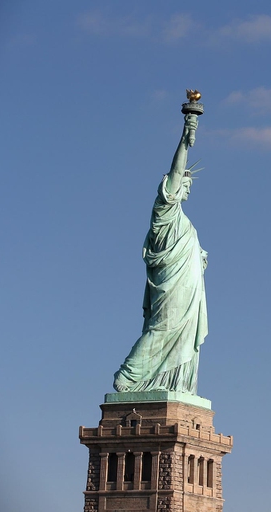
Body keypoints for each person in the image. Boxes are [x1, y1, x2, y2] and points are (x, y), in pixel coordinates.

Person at [113, 113, 208, 394]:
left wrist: (200, 257)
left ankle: (174, 382)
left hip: (188, 286)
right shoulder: (164, 211)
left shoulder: (185, 222)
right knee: (163, 328)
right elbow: (176, 172)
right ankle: (128, 375)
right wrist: (186, 136)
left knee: (183, 334)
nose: (187, 189)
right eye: (184, 185)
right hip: (171, 285)